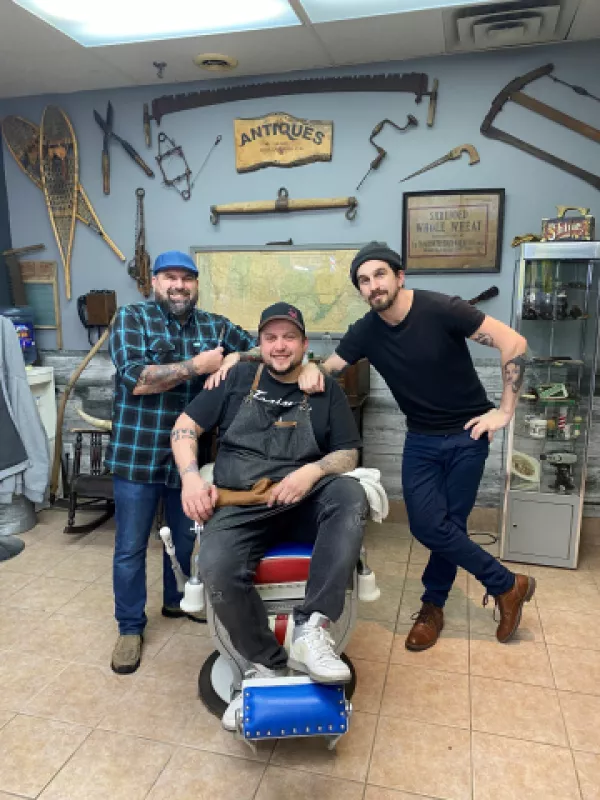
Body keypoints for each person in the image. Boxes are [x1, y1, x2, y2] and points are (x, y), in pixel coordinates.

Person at [298, 241, 535, 651]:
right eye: (364, 280)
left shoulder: (443, 308)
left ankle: (432, 606)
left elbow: (514, 342)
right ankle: (506, 583)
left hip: (468, 435)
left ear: (399, 276)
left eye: (379, 275)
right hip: (421, 439)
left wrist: (504, 411)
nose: (373, 286)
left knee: (449, 526)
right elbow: (329, 366)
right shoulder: (365, 332)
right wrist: (306, 368)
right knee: (429, 525)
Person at [171, 302, 368, 730]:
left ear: (304, 343)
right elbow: (185, 427)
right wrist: (190, 479)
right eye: (271, 338)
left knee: (350, 495)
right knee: (217, 566)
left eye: (289, 337)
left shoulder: (324, 388)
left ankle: (310, 629)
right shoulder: (236, 377)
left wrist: (312, 470)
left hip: (303, 501)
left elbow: (349, 453)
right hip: (241, 504)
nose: (280, 346)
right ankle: (265, 661)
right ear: (259, 344)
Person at [106, 250, 256, 674]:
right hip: (137, 453)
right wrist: (196, 366)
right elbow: (135, 378)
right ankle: (130, 628)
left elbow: (263, 348)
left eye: (187, 278)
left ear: (195, 284)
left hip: (189, 459)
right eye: (170, 277)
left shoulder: (214, 325)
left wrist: (232, 357)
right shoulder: (131, 318)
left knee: (187, 539)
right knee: (131, 547)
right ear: (154, 281)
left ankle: (177, 601)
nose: (179, 285)